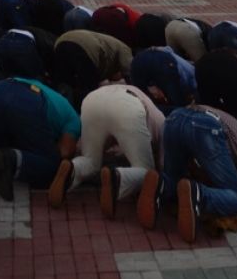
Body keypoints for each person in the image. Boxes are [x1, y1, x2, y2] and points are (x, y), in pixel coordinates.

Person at [139, 102, 237, 242]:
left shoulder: (234, 130)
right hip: (205, 128)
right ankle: (198, 194)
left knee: (174, 179)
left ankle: (162, 184)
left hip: (174, 118)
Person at [48, 81, 162, 210]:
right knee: (148, 171)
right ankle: (119, 178)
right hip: (126, 105)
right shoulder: (161, 121)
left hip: (93, 100)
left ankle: (73, 169)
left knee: (91, 160)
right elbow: (164, 162)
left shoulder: (142, 99)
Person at [0, 75, 79, 201]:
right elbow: (64, 151)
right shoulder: (75, 119)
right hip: (27, 102)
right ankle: (11, 160)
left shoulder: (54, 97)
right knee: (53, 165)